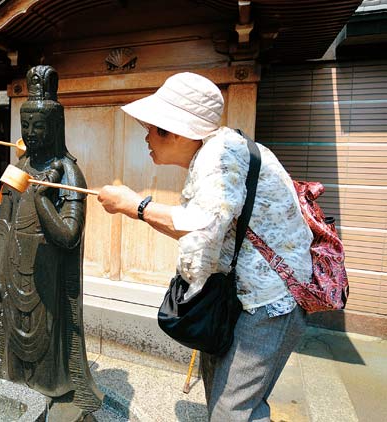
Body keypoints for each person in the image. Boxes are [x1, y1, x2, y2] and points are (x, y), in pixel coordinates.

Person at [97, 72, 313, 421]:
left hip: (270, 300)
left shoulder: (221, 155)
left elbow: (204, 225)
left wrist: (133, 205)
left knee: (234, 409)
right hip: (241, 296)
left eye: (153, 128)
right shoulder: (219, 149)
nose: (146, 136)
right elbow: (203, 228)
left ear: (178, 130)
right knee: (223, 397)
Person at [0, 65, 103, 419]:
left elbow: (69, 235)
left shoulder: (68, 172)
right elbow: (4, 225)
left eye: (40, 126)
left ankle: (51, 391)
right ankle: (20, 389)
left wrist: (41, 198)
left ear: (55, 128)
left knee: (48, 336)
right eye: (26, 126)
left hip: (50, 273)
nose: (32, 133)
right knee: (15, 332)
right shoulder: (19, 167)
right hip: (15, 267)